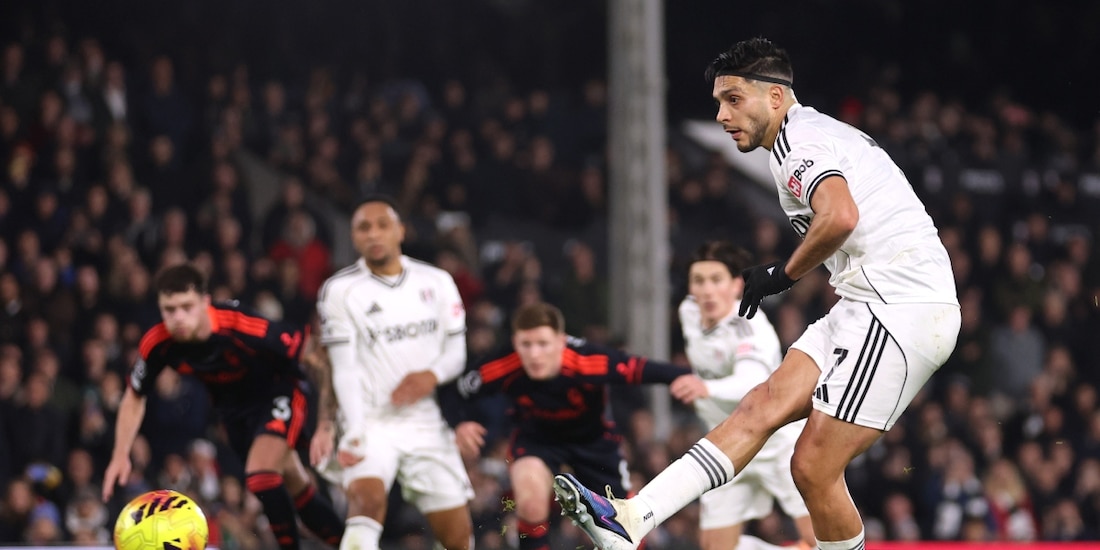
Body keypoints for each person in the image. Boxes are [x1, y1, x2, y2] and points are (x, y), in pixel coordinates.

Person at [553, 37, 961, 550]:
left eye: (734, 99)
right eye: (719, 103)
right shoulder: (799, 138)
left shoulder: (798, 141)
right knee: (757, 407)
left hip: (901, 307)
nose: (723, 115)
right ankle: (631, 519)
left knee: (812, 467)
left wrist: (780, 275)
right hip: (866, 301)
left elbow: (840, 216)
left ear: (774, 96)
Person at [101, 264, 344, 550]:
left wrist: (326, 424)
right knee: (294, 484)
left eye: (186, 307)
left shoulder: (240, 323)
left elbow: (315, 354)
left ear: (205, 302)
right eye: (169, 309)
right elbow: (134, 395)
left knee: (261, 475)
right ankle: (353, 545)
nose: (178, 317)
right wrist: (120, 455)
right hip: (233, 412)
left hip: (279, 391)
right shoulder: (158, 343)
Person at [452, 301, 693, 550]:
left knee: (622, 522)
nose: (534, 354)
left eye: (543, 344)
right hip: (537, 441)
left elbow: (639, 369)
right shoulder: (502, 364)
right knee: (530, 503)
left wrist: (685, 376)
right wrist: (460, 423)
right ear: (515, 343)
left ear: (561, 341)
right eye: (526, 344)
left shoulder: (588, 360)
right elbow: (457, 390)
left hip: (594, 444)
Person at [310, 195, 474, 550]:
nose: (374, 234)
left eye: (382, 225)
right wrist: (352, 429)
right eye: (363, 228)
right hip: (370, 420)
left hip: (426, 420)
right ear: (354, 238)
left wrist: (429, 376)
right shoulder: (340, 291)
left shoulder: (438, 281)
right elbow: (344, 368)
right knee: (365, 503)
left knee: (458, 536)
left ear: (401, 231)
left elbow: (457, 354)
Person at [669, 240, 815, 550]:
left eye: (716, 280)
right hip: (726, 442)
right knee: (714, 547)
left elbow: (755, 380)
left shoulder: (751, 327)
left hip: (776, 443)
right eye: (699, 281)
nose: (707, 290)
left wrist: (706, 388)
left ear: (737, 285)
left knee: (819, 542)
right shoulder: (688, 312)